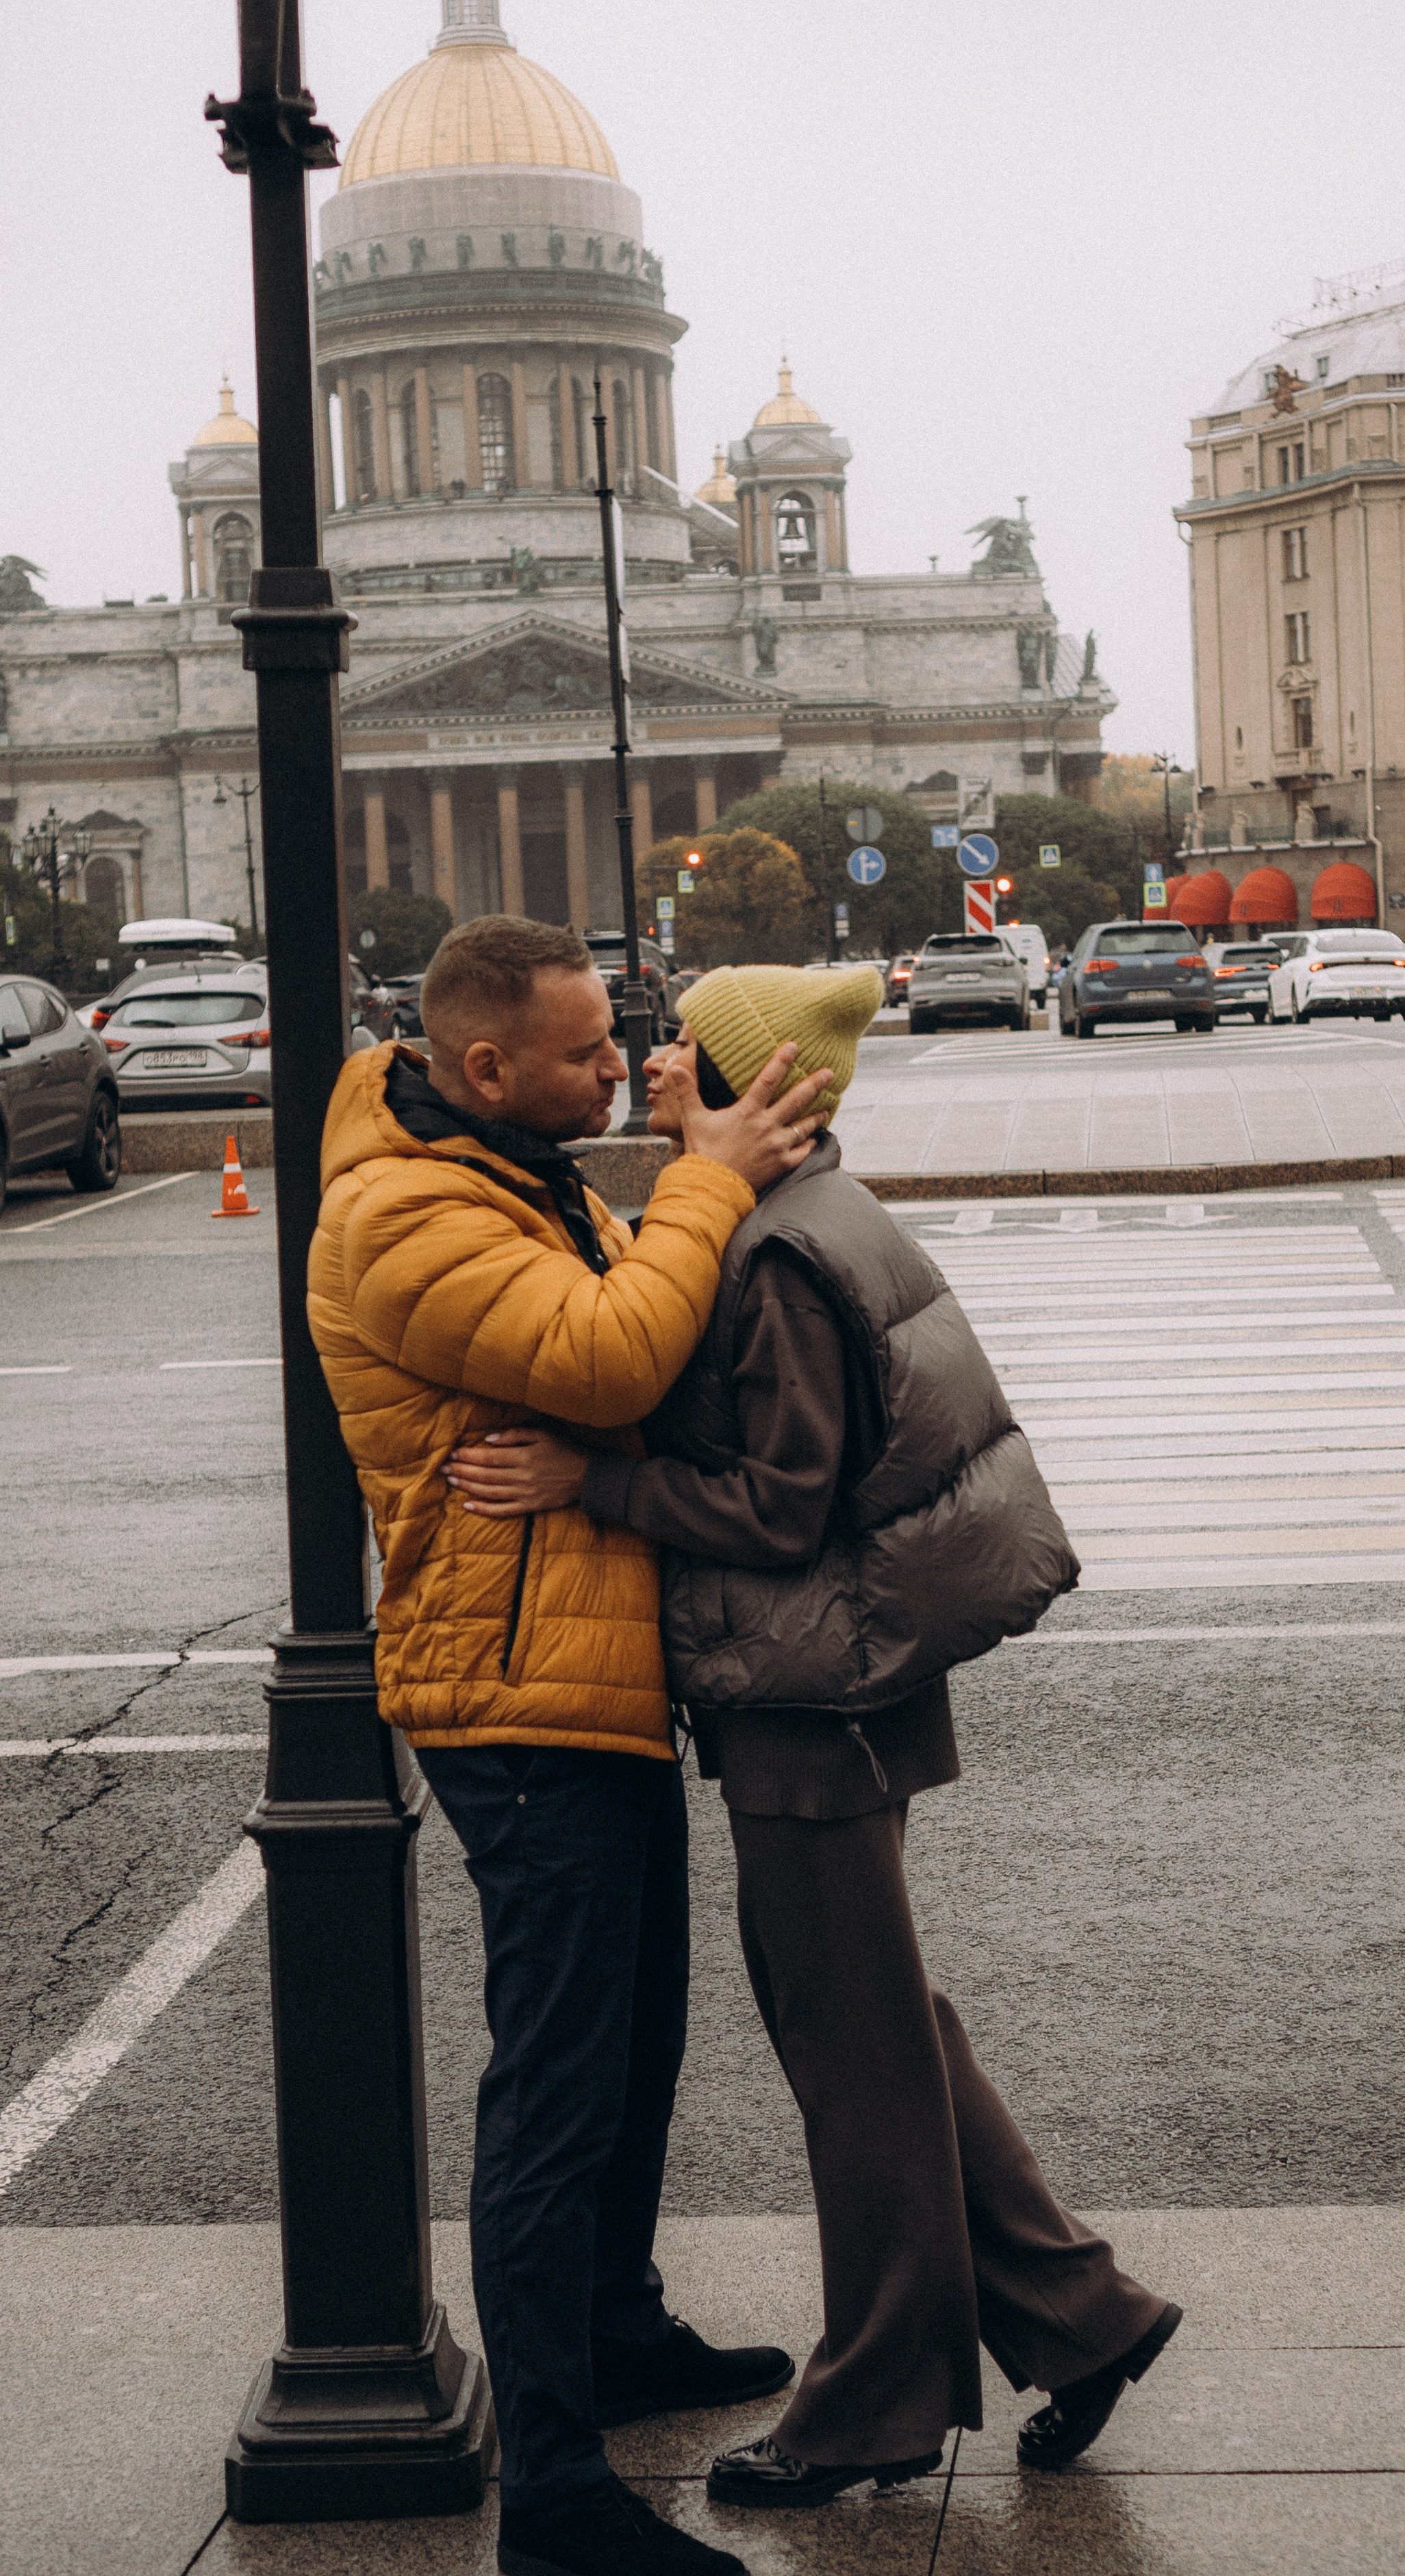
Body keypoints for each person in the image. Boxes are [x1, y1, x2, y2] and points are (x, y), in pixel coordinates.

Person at [446, 962, 1179, 2514]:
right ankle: (1076, 2311)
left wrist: (596, 1486)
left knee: (852, 2057)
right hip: (834, 1690)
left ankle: (869, 2412)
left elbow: (779, 1506)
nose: (648, 1074)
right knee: (877, 2025)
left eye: (678, 1060)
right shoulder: (803, 1214)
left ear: (750, 1087)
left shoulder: (775, 1255)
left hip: (809, 1698)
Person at [307, 916, 839, 2576]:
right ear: (485, 1069)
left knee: (629, 2051)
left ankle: (614, 2333)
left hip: (586, 1664)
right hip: (512, 1689)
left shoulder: (502, 1166)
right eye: (587, 1055)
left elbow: (625, 1319)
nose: (620, 1068)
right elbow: (614, 1355)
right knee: (552, 2089)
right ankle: (549, 2488)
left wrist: (672, 1159)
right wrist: (708, 1177)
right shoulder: (402, 1210)